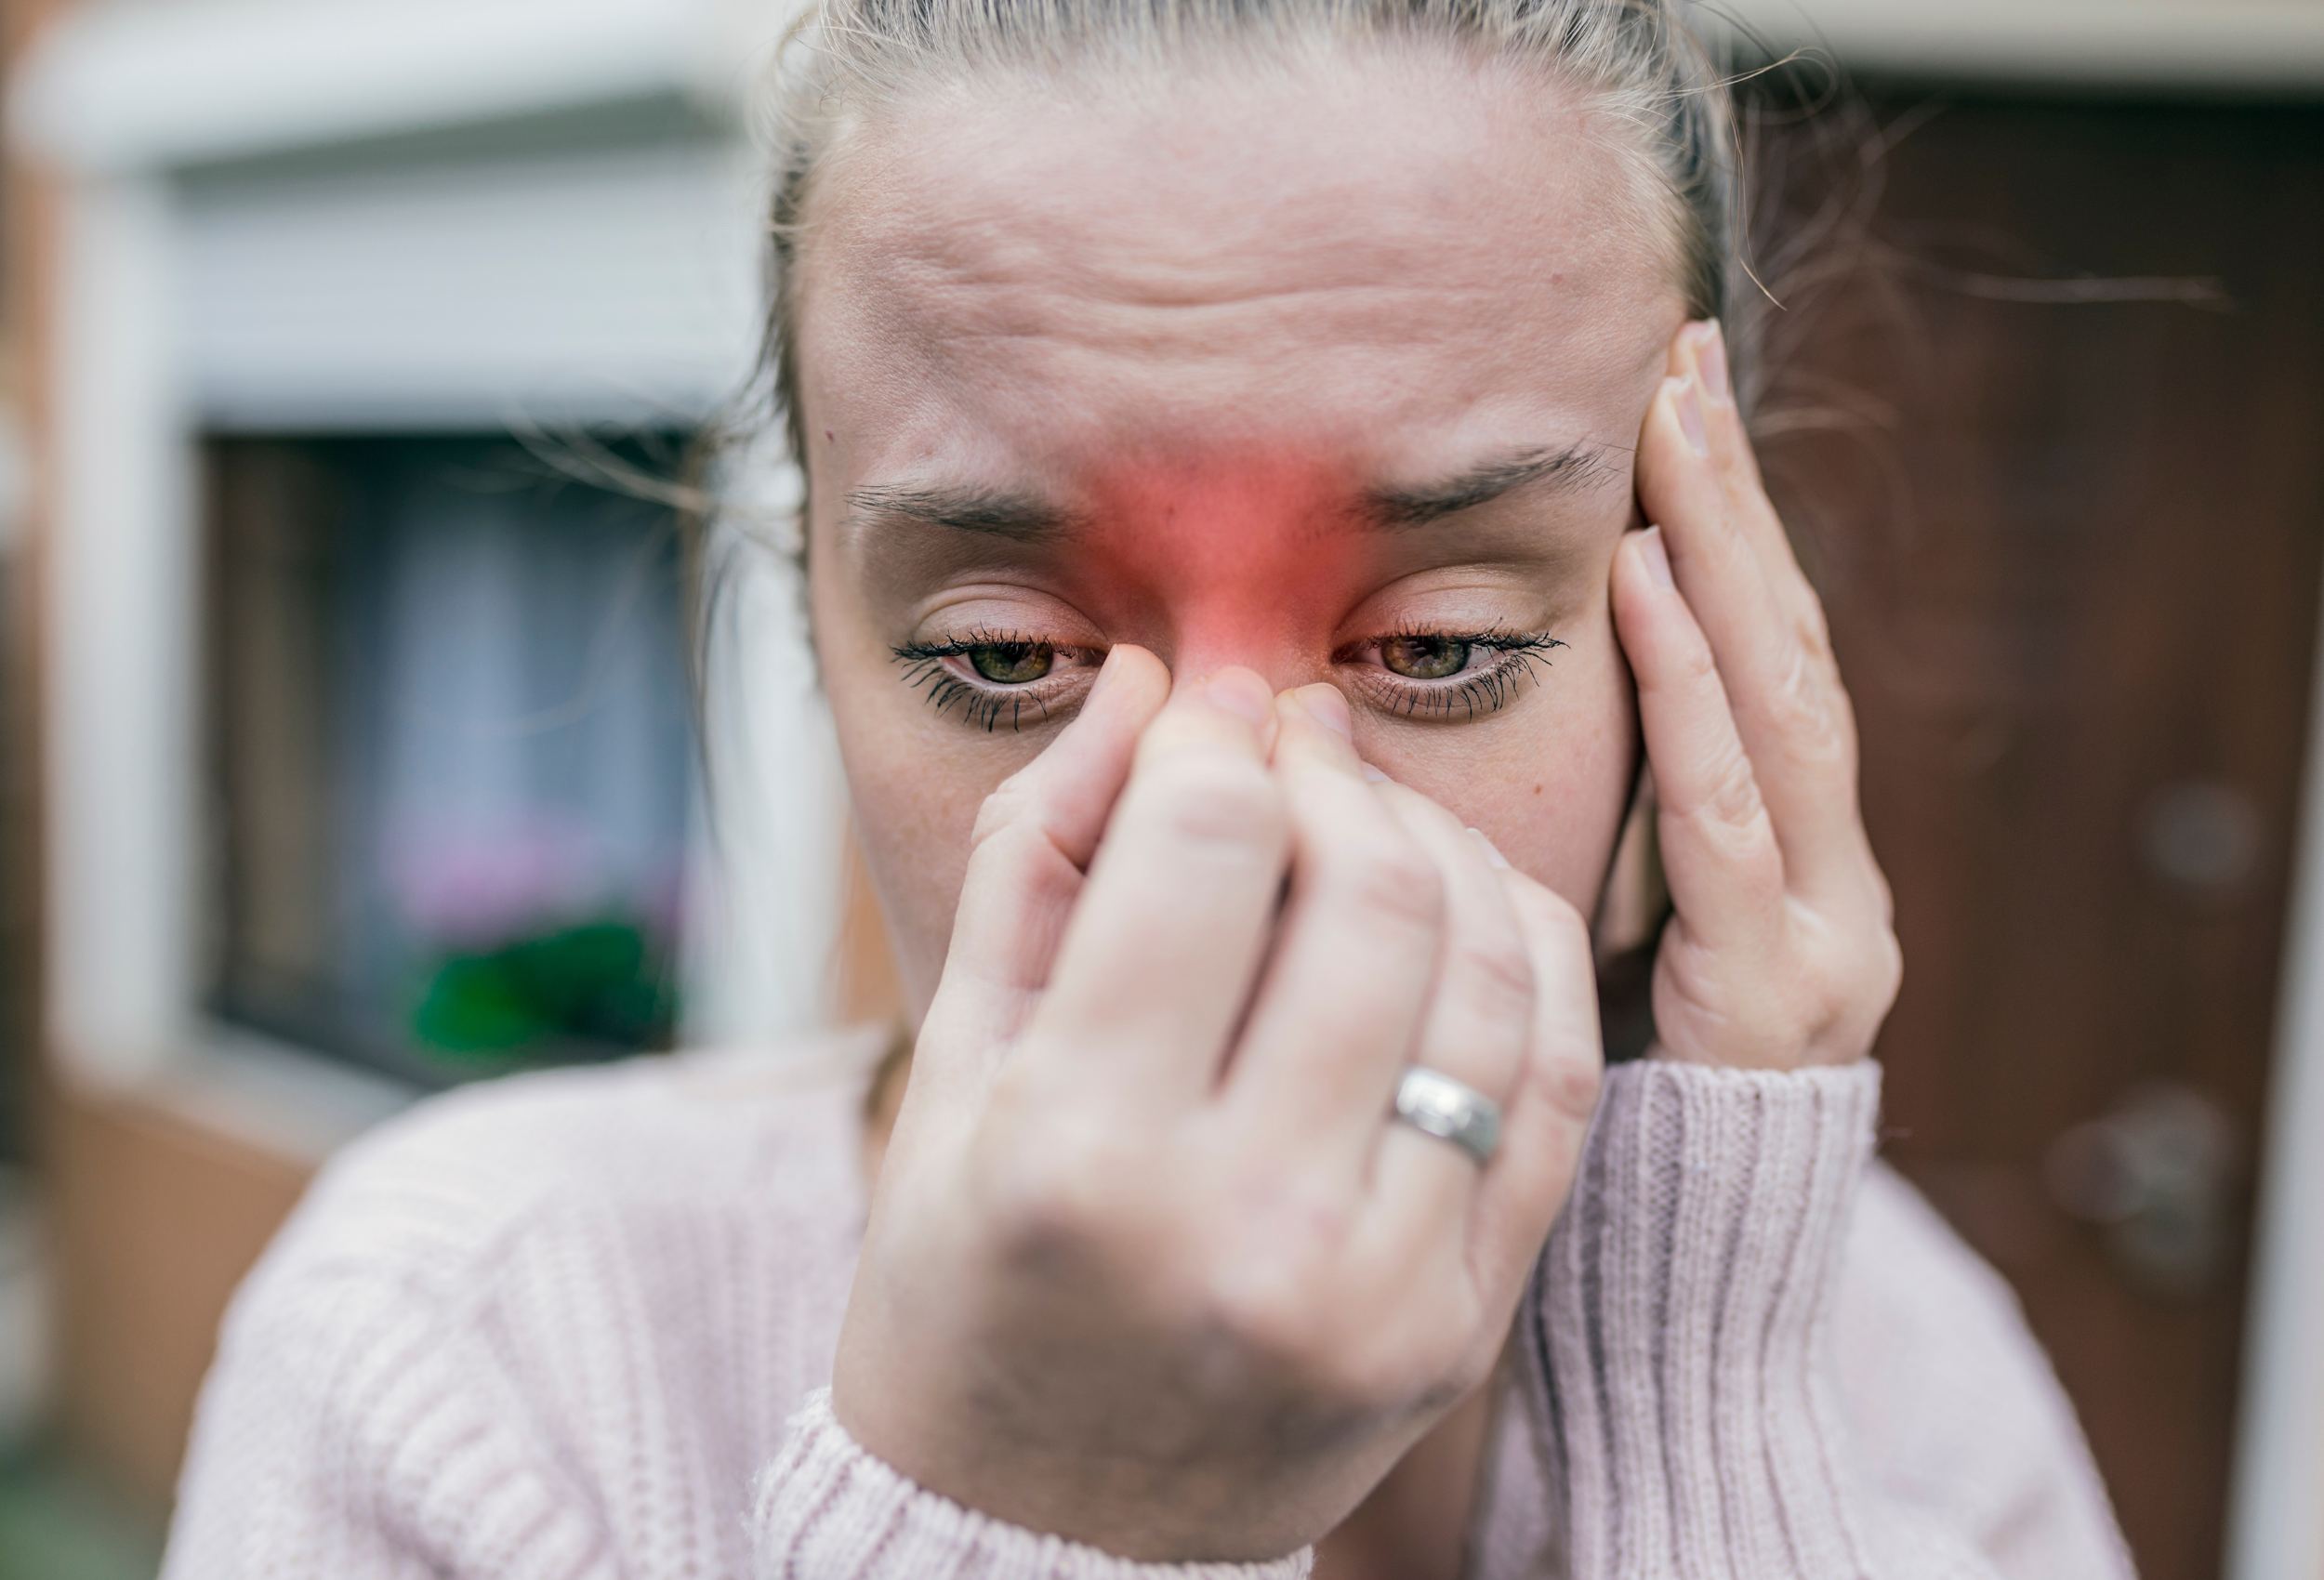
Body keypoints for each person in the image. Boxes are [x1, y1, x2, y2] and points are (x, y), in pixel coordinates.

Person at [162, 0, 2139, 1574]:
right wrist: (1020, 1507)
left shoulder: (1891, 1370)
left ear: (1692, 636)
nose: (1226, 821)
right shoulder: (469, 1349)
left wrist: (1711, 1429)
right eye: (1004, 655)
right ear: (813, 646)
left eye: (1436, 642)